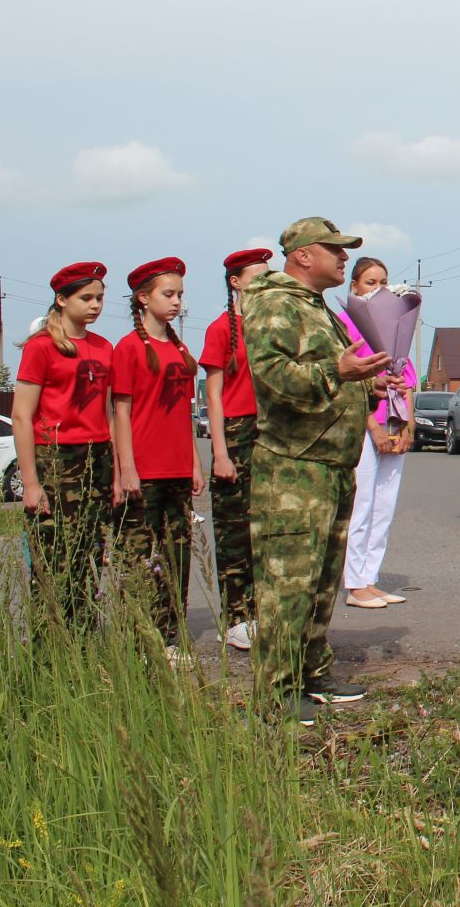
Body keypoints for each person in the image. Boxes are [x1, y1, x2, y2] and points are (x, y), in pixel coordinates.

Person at [243, 217, 390, 723]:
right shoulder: (274, 302)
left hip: (328, 462)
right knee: (288, 583)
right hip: (292, 467)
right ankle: (275, 693)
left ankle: (310, 672)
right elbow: (273, 374)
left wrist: (363, 384)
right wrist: (338, 372)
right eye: (335, 250)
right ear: (303, 254)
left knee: (322, 578)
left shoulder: (314, 307)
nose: (344, 258)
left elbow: (325, 373)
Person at [13, 262, 128, 630]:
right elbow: (21, 416)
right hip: (56, 457)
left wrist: (116, 471)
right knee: (54, 556)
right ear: (62, 300)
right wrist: (31, 483)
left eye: (100, 298)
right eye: (86, 298)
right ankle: (50, 649)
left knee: (90, 552)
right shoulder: (42, 347)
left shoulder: (103, 347)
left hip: (97, 456)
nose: (95, 305)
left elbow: (109, 411)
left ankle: (83, 638)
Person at [111, 257, 201, 664]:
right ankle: (142, 640)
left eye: (180, 294)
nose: (176, 301)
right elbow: (121, 412)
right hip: (144, 469)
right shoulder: (129, 348)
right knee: (141, 558)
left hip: (178, 467)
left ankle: (171, 636)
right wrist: (125, 466)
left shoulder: (180, 348)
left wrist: (196, 463)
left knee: (177, 555)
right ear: (143, 298)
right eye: (168, 294)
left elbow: (184, 412)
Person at [200, 248, 273, 650]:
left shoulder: (270, 327)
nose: (264, 282)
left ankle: (262, 611)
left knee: (264, 528)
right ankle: (236, 617)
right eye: (257, 276)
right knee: (233, 530)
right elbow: (214, 396)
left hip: (269, 432)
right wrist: (221, 452)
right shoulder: (220, 329)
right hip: (236, 429)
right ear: (236, 282)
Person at [339, 257, 416, 609]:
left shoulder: (396, 326)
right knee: (363, 502)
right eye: (370, 282)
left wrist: (407, 425)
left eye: (383, 282)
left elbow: (407, 380)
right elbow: (349, 384)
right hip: (364, 425)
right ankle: (354, 582)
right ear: (354, 287)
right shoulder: (346, 325)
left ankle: (371, 576)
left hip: (394, 420)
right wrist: (373, 428)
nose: (378, 288)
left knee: (385, 504)